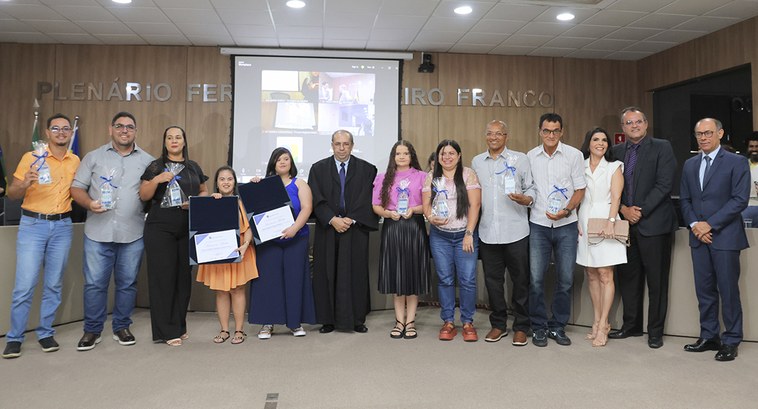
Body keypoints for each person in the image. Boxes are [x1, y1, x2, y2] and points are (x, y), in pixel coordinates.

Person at [70, 111, 154, 351]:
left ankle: (121, 326)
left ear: (135, 131)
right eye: (120, 126)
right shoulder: (94, 157)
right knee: (95, 284)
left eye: (129, 126)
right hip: (98, 231)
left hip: (133, 232)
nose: (124, 130)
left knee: (127, 283)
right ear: (111, 129)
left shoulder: (148, 161)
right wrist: (89, 204)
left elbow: (151, 194)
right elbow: (77, 188)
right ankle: (92, 330)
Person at [2, 114, 80, 359]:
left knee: (54, 284)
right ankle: (15, 337)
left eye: (65, 129)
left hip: (62, 226)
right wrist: (24, 183)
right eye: (55, 128)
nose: (60, 132)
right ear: (47, 132)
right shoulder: (31, 157)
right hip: (33, 225)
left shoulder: (75, 160)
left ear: (70, 134)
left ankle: (45, 332)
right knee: (24, 286)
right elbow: (12, 195)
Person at [680, 118, 750, 362]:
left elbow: (740, 199)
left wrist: (709, 224)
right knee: (704, 290)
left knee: (728, 290)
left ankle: (731, 340)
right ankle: (709, 336)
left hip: (725, 236)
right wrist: (694, 225)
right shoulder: (689, 164)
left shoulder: (737, 162)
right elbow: (685, 200)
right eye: (699, 134)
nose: (703, 138)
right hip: (698, 237)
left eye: (708, 133)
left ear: (720, 133)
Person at [609, 107, 677, 349]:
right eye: (629, 122)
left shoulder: (662, 147)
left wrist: (640, 210)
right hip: (626, 225)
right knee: (629, 278)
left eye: (638, 121)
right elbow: (610, 188)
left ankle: (655, 332)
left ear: (646, 124)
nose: (634, 126)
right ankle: (631, 325)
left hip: (655, 225)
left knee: (657, 282)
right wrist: (624, 210)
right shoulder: (616, 151)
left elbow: (664, 184)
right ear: (623, 127)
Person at [140, 126, 209, 346]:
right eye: (169, 137)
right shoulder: (155, 166)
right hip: (160, 227)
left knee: (182, 279)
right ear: (165, 142)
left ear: (184, 141)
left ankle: (179, 325)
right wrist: (157, 179)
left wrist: (196, 203)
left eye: (178, 137)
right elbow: (143, 195)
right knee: (163, 279)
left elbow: (203, 191)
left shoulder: (193, 167)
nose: (174, 140)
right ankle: (166, 331)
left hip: (186, 226)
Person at [471, 120, 534, 346]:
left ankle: (521, 326)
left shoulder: (520, 159)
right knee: (493, 282)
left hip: (516, 231)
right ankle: (498, 325)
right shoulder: (477, 162)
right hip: (488, 232)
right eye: (489, 133)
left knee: (520, 281)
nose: (493, 137)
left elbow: (531, 188)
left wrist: (526, 199)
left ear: (506, 136)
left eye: (498, 134)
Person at [308, 130, 378, 333]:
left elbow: (367, 199)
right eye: (337, 144)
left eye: (345, 144)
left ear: (352, 145)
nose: (341, 148)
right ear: (332, 145)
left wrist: (351, 219)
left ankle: (356, 320)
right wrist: (332, 219)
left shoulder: (367, 169)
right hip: (328, 229)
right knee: (326, 273)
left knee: (354, 273)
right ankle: (327, 320)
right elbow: (315, 198)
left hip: (354, 229)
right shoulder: (318, 169)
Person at [527, 113, 585, 347]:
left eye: (555, 131)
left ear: (562, 132)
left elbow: (580, 189)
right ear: (540, 131)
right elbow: (529, 189)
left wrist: (567, 210)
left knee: (565, 279)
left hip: (566, 225)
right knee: (536, 280)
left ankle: (558, 326)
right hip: (539, 224)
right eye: (546, 131)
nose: (551, 135)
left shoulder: (574, 155)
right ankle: (538, 327)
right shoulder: (530, 157)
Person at [249, 148, 316, 339]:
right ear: (273, 163)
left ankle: (294, 323)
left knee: (295, 280)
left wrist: (294, 228)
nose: (283, 162)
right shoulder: (263, 185)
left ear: (291, 162)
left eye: (286, 159)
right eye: (279, 159)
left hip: (296, 238)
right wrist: (255, 186)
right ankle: (267, 323)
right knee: (268, 281)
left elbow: (307, 208)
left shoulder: (300, 184)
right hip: (269, 242)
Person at [423, 140, 482, 342]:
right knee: (445, 279)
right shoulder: (431, 176)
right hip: (440, 236)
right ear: (438, 157)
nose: (446, 157)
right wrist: (431, 218)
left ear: (458, 155)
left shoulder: (468, 174)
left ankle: (467, 322)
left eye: (451, 153)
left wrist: (469, 233)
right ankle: (448, 321)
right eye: (442, 153)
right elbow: (426, 206)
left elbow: (475, 205)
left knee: (467, 280)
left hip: (464, 235)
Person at [372, 140, 430, 339]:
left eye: (406, 153)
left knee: (412, 276)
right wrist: (388, 214)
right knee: (397, 276)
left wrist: (414, 210)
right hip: (393, 228)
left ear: (412, 155)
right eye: (398, 153)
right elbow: (376, 205)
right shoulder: (383, 178)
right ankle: (399, 322)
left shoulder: (423, 177)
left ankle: (411, 321)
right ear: (393, 157)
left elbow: (428, 205)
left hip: (414, 228)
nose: (402, 157)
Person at [575, 127, 626, 347]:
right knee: (591, 273)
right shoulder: (580, 166)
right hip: (584, 220)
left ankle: (605, 323)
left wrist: (611, 221)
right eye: (596, 139)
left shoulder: (614, 167)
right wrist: (575, 219)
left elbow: (616, 196)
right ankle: (596, 321)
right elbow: (575, 195)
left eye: (604, 140)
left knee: (606, 273)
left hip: (606, 219)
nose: (600, 143)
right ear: (588, 143)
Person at [197, 166, 258, 345]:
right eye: (222, 179)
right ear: (216, 183)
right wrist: (212, 203)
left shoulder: (241, 201)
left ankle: (239, 330)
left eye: (229, 179)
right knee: (221, 291)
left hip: (239, 251)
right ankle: (224, 330)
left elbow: (249, 227)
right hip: (218, 253)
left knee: (238, 290)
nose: (226, 182)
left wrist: (246, 245)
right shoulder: (210, 202)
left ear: (234, 182)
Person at [742, 132, 758, 224]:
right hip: (746, 208)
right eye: (751, 146)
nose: (754, 149)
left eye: (757, 146)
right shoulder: (742, 164)